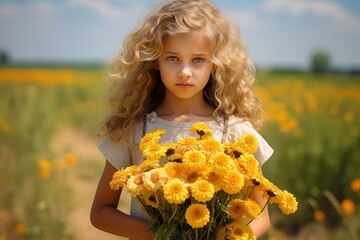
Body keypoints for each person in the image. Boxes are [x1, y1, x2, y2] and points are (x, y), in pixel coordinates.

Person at [90, 0, 273, 239]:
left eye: (198, 59)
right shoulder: (135, 130)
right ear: (155, 60)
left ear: (216, 64)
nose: (185, 71)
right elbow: (100, 213)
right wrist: (162, 235)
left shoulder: (236, 132)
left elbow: (261, 216)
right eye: (173, 58)